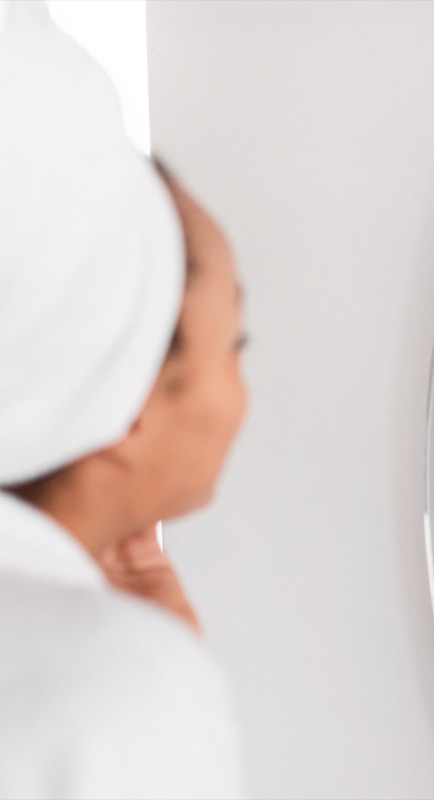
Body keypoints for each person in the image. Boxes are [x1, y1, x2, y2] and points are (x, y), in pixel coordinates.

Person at [0, 4, 244, 797]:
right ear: (128, 393)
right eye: (236, 347)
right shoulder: (110, 684)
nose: (243, 394)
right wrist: (152, 670)